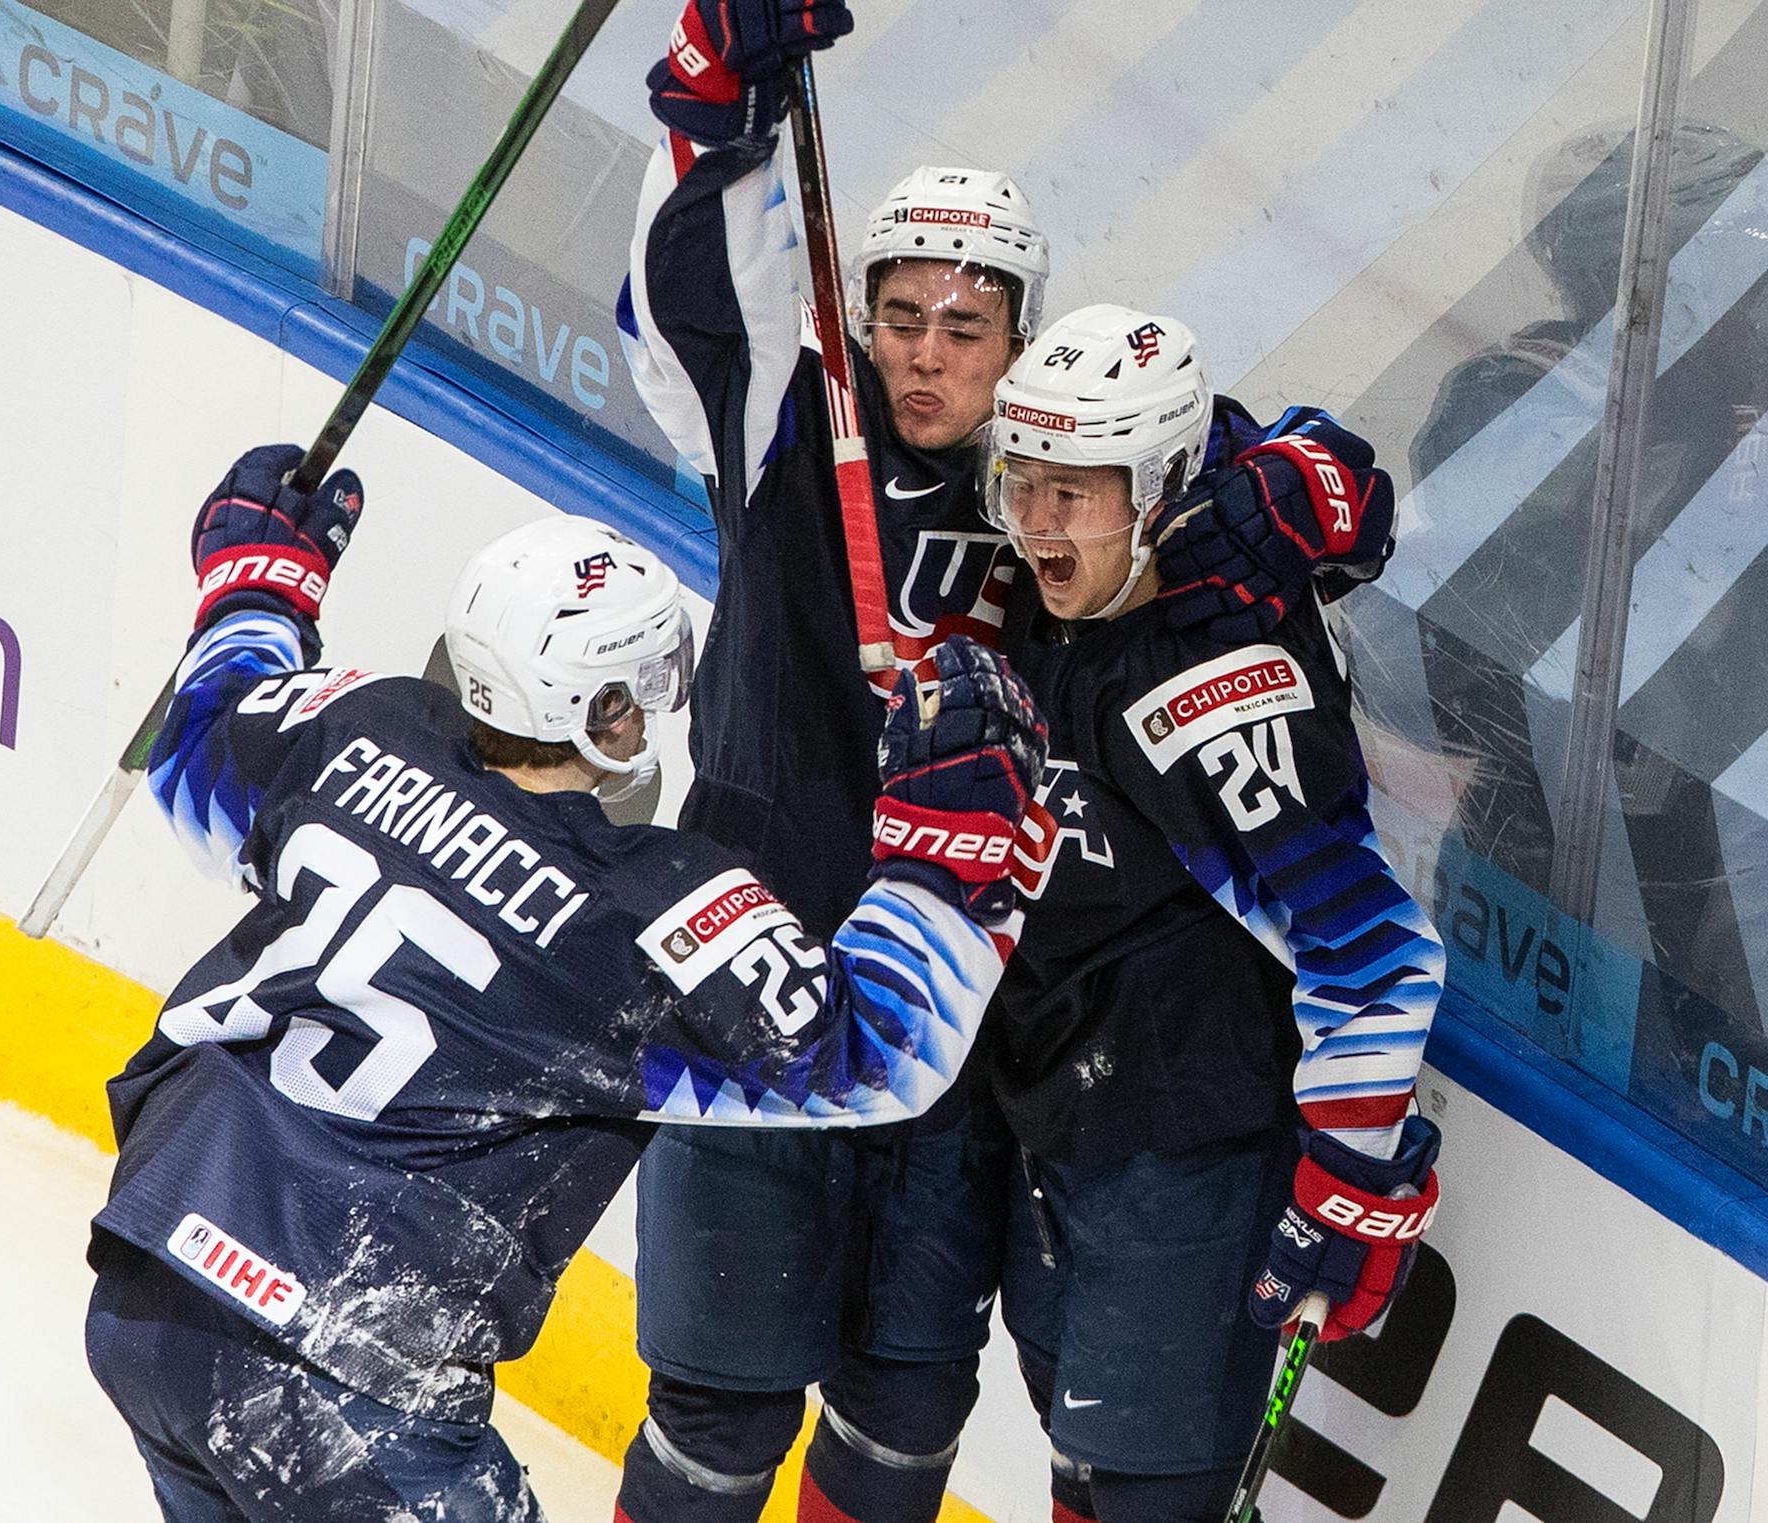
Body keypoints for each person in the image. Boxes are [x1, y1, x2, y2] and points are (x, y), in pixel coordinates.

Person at [613, 4, 1399, 1518]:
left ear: (1018, 338)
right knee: (716, 1412)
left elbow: (1315, 486)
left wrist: (1311, 489)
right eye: (900, 317)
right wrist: (719, 107)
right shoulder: (791, 423)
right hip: (754, 979)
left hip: (964, 1033)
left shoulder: (1075, 464)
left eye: (963, 328)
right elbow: (687, 305)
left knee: (904, 1410)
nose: (923, 356)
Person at [80, 442, 1049, 1522]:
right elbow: (877, 1051)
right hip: (349, 1376)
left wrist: (257, 576)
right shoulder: (647, 911)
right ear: (609, 711)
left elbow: (204, 733)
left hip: (152, 1287)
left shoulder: (359, 721)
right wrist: (948, 850)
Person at [976, 306, 1446, 1521]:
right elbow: (1290, 457)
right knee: (1082, 1463)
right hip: (1061, 1109)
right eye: (1021, 482)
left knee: (1144, 1488)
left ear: (1162, 489)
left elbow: (1378, 956)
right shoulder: (1090, 571)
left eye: (1072, 493)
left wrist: (1349, 1178)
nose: (1035, 522)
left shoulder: (1208, 692)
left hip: (1183, 1145)